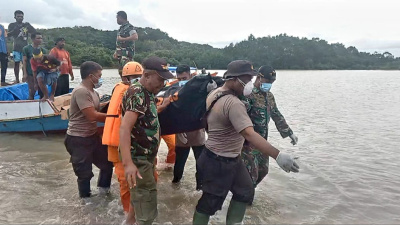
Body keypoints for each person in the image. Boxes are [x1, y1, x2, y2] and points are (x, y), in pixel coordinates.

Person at [193, 60, 299, 225]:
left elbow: (275, 114)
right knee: (210, 202)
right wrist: (278, 155)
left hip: (231, 158)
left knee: (245, 191)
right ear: (234, 79)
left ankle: (235, 222)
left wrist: (288, 132)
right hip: (219, 159)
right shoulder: (234, 103)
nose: (250, 82)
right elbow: (249, 133)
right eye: (247, 78)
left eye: (252, 77)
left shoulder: (216, 93)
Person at [119, 56, 173, 225]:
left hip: (144, 157)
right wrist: (128, 164)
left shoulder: (146, 92)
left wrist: (162, 108)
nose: (163, 84)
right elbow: (125, 128)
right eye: (160, 79)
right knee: (147, 205)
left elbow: (142, 117)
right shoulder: (137, 93)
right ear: (147, 75)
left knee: (139, 198)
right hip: (138, 159)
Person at [242, 65, 298, 187]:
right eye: (268, 81)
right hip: (248, 143)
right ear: (259, 78)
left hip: (263, 142)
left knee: (263, 171)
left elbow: (276, 114)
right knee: (250, 175)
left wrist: (289, 132)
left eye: (272, 82)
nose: (270, 84)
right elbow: (240, 118)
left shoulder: (269, 96)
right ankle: (244, 199)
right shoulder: (249, 95)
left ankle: (248, 197)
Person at [64, 61, 113, 199]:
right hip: (78, 138)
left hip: (92, 136)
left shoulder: (94, 92)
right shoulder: (81, 91)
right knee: (84, 174)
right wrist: (118, 118)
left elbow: (98, 109)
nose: (100, 78)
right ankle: (86, 203)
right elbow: (92, 115)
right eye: (99, 75)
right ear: (91, 76)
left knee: (107, 164)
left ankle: (104, 194)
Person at [102, 61, 143, 225]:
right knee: (127, 181)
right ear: (126, 78)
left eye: (140, 77)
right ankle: (128, 216)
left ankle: (129, 212)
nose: (138, 80)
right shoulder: (129, 92)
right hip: (120, 141)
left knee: (124, 179)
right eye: (136, 78)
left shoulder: (118, 87)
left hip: (113, 139)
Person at [171, 65, 205, 190]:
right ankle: (175, 189)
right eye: (179, 78)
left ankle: (199, 190)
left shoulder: (200, 90)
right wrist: (178, 131)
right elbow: (172, 113)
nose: (181, 81)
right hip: (181, 134)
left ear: (190, 75)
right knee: (179, 166)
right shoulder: (174, 91)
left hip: (198, 134)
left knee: (201, 165)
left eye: (184, 78)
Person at [7, 10, 36, 83]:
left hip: (25, 47)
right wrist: (15, 29)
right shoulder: (12, 25)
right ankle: (17, 79)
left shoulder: (25, 25)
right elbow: (8, 34)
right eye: (18, 16)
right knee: (16, 63)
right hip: (16, 47)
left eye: (21, 17)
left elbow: (34, 32)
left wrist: (29, 26)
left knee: (25, 64)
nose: (20, 18)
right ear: (15, 17)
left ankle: (25, 78)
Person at [22, 32, 46, 99]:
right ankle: (29, 106)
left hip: (41, 74)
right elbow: (24, 61)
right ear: (32, 39)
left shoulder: (43, 50)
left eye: (41, 38)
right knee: (32, 92)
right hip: (30, 74)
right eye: (38, 38)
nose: (40, 40)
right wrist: (25, 74)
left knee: (42, 93)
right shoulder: (26, 48)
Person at [114, 11, 138, 76]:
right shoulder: (121, 28)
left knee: (128, 74)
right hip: (120, 56)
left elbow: (135, 36)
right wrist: (116, 52)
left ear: (121, 17)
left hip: (127, 56)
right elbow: (119, 42)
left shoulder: (129, 27)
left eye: (117, 18)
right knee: (122, 73)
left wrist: (123, 39)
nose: (117, 20)